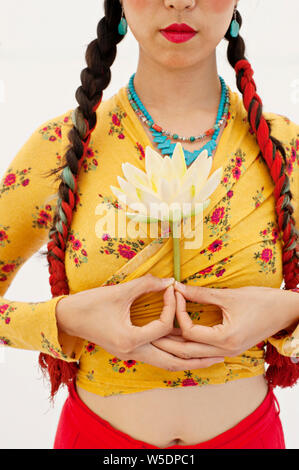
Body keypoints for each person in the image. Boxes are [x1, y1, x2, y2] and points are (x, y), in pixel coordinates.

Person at [1, 0, 299, 450]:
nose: (180, 1)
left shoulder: (283, 149)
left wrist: (288, 312)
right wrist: (65, 318)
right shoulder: (63, 147)